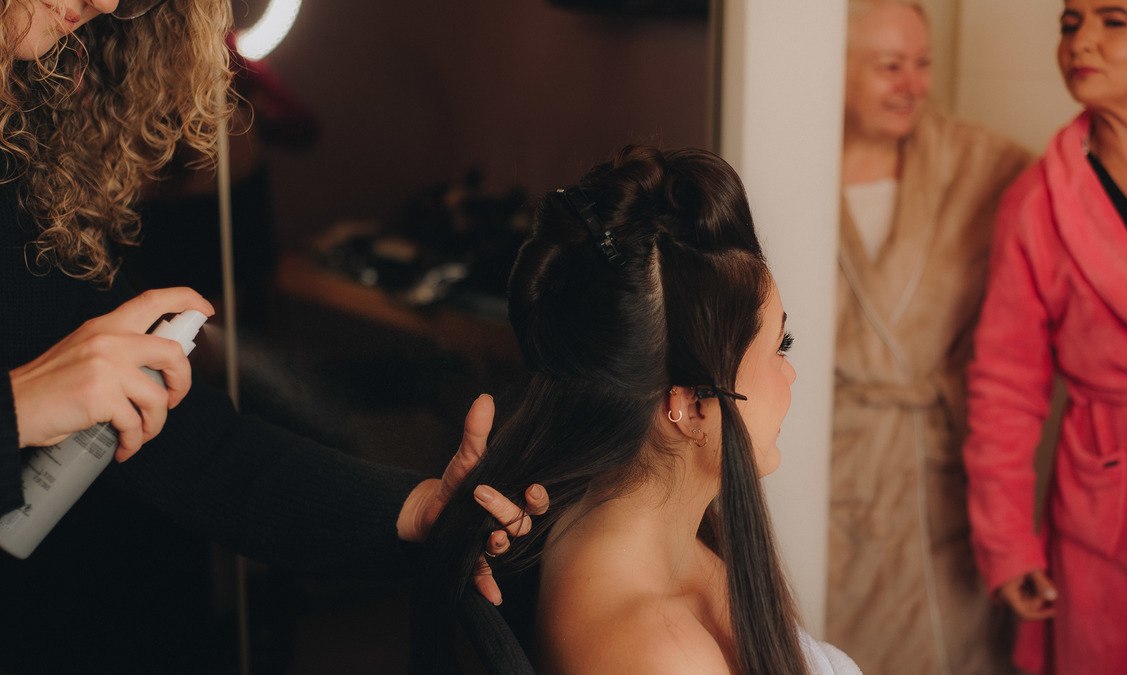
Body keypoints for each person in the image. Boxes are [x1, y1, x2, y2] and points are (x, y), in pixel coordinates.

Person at [0, 0, 543, 670]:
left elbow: (195, 449)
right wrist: (17, 409)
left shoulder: (25, 158)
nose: (108, 3)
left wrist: (416, 510)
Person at [414, 145, 860, 674]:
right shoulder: (661, 658)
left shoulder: (608, 528)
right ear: (689, 408)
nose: (790, 376)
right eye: (779, 348)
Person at [964, 0, 1127, 672]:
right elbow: (1005, 385)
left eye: (1112, 20)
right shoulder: (1037, 203)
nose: (1081, 41)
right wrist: (1008, 541)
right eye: (1070, 24)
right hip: (1110, 513)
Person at [827, 1, 1032, 673]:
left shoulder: (976, 165)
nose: (913, 85)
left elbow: (1074, 202)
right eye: (890, 66)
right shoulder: (785, 162)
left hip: (936, 469)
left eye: (923, 64)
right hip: (832, 469)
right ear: (836, 67)